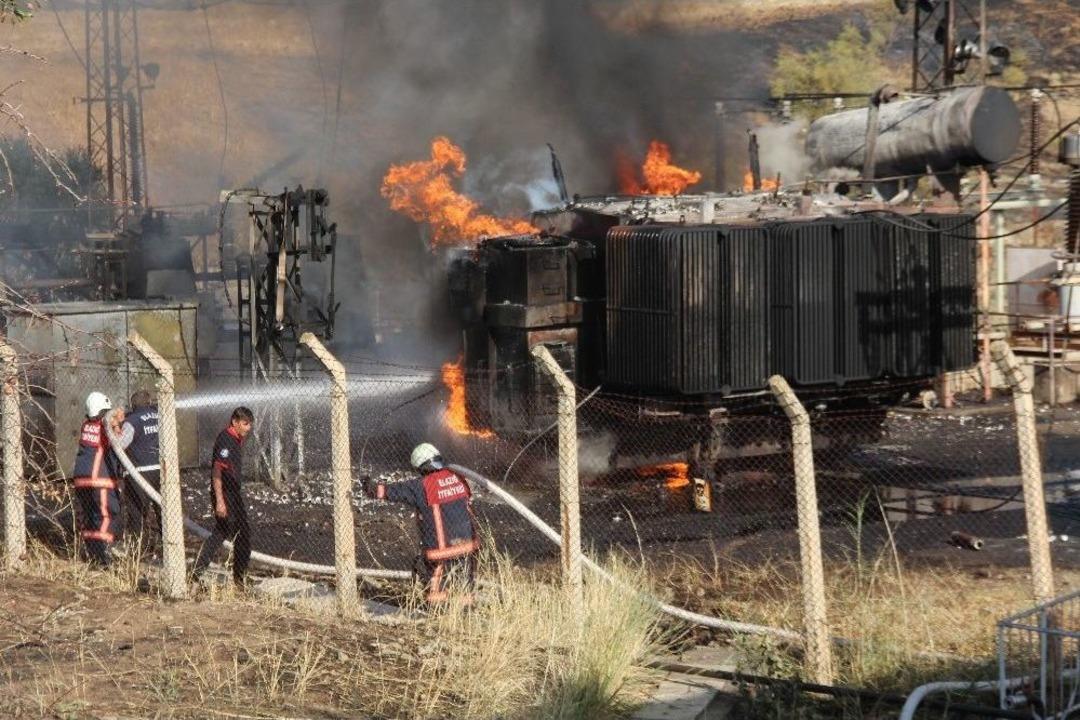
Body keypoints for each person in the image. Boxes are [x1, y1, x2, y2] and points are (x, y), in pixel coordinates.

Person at [362, 443, 479, 603]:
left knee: (437, 586)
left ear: (420, 467)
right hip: (468, 543)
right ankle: (465, 614)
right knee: (464, 584)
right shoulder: (458, 478)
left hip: (441, 549)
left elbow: (391, 491)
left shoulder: (422, 486)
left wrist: (369, 486)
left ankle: (440, 614)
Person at [192, 406, 254, 587]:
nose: (248, 428)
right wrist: (220, 501)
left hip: (233, 493)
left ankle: (197, 571)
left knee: (221, 532)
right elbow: (217, 471)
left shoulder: (236, 438)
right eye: (245, 424)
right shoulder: (226, 440)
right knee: (242, 536)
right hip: (226, 495)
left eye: (250, 424)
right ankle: (240, 578)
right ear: (234, 422)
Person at [72, 391, 124, 567]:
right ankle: (103, 555)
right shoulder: (105, 427)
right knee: (108, 514)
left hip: (81, 480)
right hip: (99, 480)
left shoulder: (86, 425)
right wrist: (118, 424)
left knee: (90, 518)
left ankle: (91, 553)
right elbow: (119, 442)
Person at [117, 390, 161, 550]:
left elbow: (120, 444)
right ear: (149, 402)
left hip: (139, 472)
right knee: (163, 510)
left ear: (133, 405)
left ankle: (137, 549)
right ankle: (169, 548)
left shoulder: (132, 420)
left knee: (136, 512)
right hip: (162, 470)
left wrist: (116, 428)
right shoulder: (160, 416)